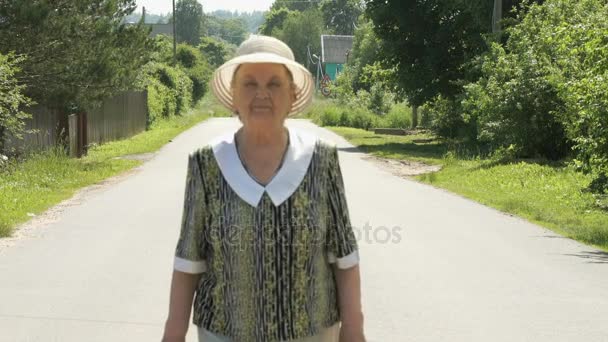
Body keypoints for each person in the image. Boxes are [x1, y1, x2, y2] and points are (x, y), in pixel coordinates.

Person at [161, 35, 365, 342]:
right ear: (234, 94)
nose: (261, 95)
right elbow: (189, 260)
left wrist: (354, 330)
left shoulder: (322, 160)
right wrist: (172, 335)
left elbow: (345, 257)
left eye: (273, 84)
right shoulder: (206, 165)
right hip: (224, 333)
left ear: (292, 94)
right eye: (250, 84)